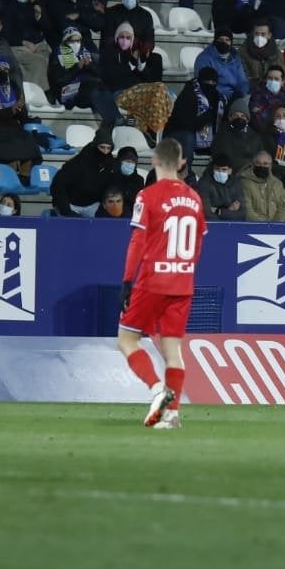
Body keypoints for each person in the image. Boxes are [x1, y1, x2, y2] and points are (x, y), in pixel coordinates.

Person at [117, 139, 205, 430]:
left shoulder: (147, 195)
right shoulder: (194, 198)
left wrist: (127, 281)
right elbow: (198, 243)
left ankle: (157, 390)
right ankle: (173, 414)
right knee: (173, 351)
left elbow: (137, 241)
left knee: (127, 340)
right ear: (181, 164)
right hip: (183, 283)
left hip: (153, 280)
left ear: (153, 161)